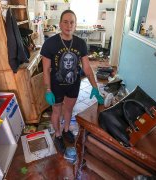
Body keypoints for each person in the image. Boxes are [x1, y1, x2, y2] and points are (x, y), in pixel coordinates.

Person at [40, 10, 104, 153]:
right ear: (60, 24)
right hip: (56, 86)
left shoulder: (80, 43)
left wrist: (95, 87)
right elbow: (46, 70)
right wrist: (48, 89)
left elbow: (87, 68)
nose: (69, 25)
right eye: (65, 22)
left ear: (75, 25)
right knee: (56, 111)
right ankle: (57, 135)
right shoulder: (50, 44)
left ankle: (66, 129)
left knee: (69, 109)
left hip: (74, 84)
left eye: (72, 22)